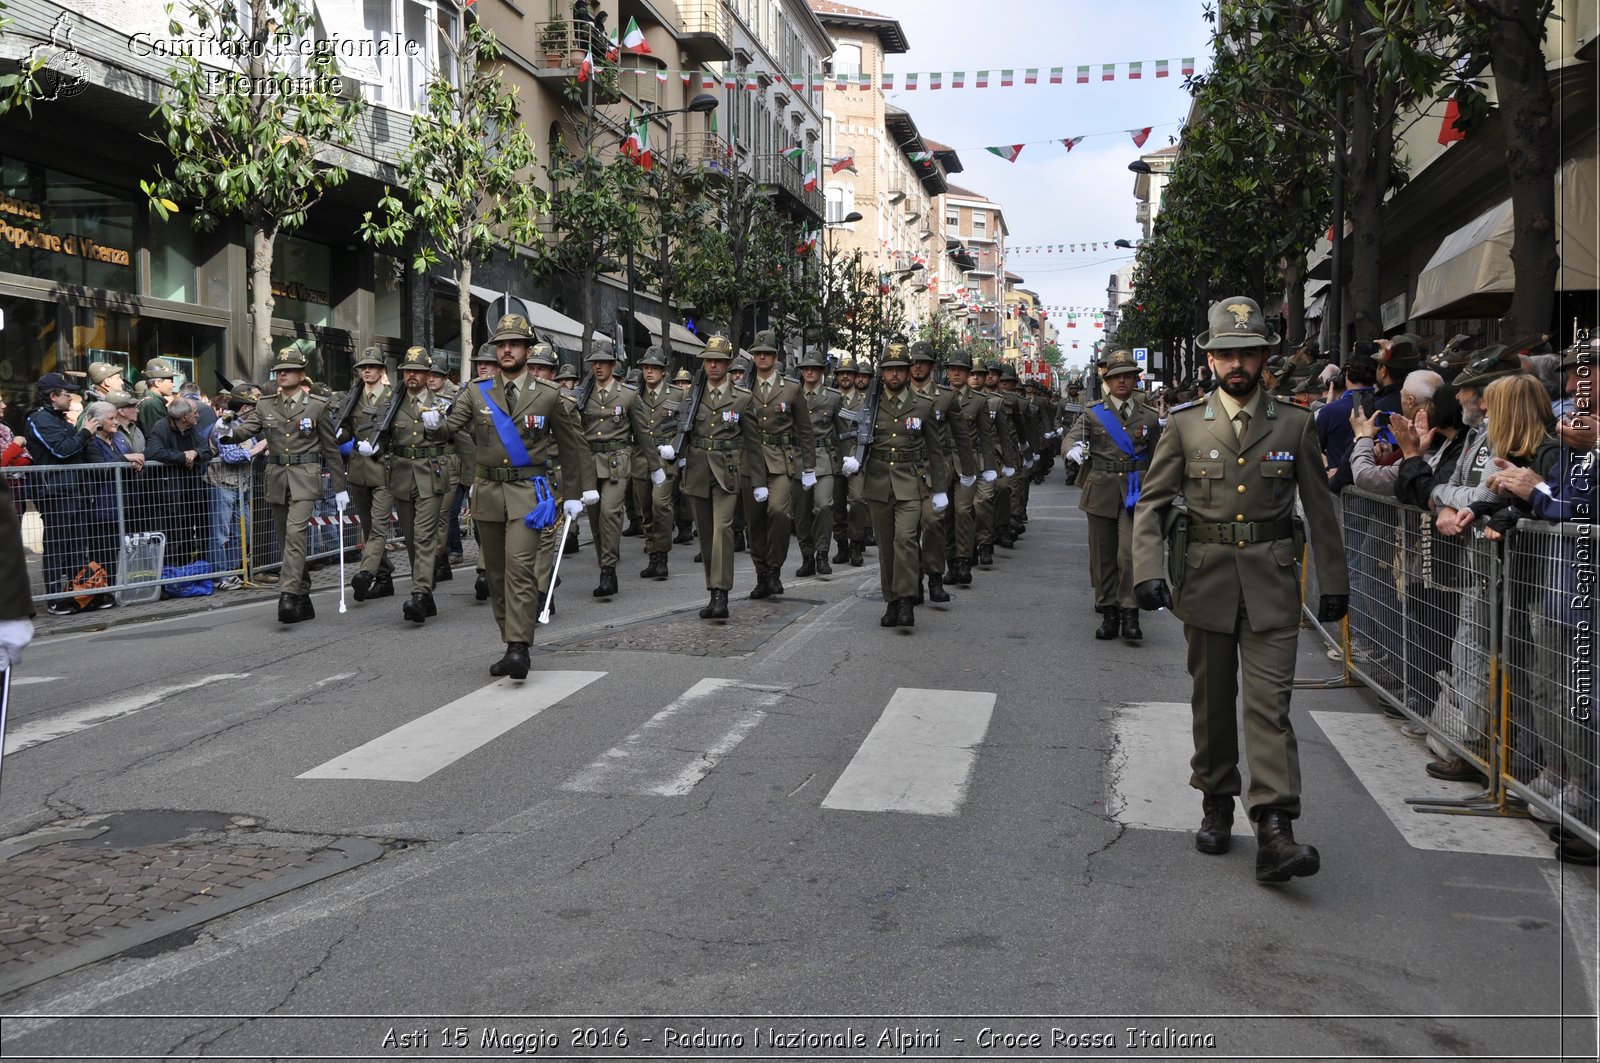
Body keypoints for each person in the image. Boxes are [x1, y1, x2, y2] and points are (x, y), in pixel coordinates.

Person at [1132, 296, 1349, 884]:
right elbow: (1151, 506)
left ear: (1262, 359)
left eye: (1248, 353)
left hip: (1274, 584)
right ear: (1211, 359)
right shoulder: (1183, 425)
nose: (1237, 364)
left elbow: (1321, 510)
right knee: (1212, 704)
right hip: (1204, 584)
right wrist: (1146, 569)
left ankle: (1275, 826)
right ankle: (1217, 799)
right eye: (1227, 354)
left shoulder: (1294, 423)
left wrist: (1334, 580)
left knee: (1269, 708)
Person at [442, 314, 597, 679]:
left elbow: (575, 446)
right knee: (494, 574)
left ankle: (518, 647)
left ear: (528, 350)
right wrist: (432, 425)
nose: (506, 350)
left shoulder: (548, 395)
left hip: (529, 494)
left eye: (513, 344)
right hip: (487, 494)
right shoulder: (476, 391)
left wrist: (577, 492)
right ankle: (508, 638)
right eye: (501, 345)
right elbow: (450, 427)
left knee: (520, 569)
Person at [225, 347, 349, 624]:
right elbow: (248, 430)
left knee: (295, 534)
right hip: (277, 476)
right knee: (287, 540)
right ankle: (303, 596)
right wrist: (227, 433)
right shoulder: (265, 404)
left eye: (288, 370)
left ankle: (288, 595)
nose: (282, 374)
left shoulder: (317, 405)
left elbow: (330, 448)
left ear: (301, 374)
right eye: (279, 370)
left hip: (306, 475)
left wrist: (340, 487)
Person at [1065, 349, 1163, 641]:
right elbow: (1071, 437)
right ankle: (1109, 612)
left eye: (1127, 376)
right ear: (1107, 380)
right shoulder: (1094, 412)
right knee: (1103, 555)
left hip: (1136, 491)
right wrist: (1071, 450)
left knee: (1129, 554)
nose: (1121, 381)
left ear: (1136, 379)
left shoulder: (1149, 415)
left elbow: (1159, 456)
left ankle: (1129, 612)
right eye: (1115, 377)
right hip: (1101, 489)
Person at [851, 345, 949, 630]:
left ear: (908, 372)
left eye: (900, 369)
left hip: (910, 483)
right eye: (889, 368)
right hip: (878, 482)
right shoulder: (870, 405)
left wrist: (939, 489)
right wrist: (852, 459)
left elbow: (935, 450)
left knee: (905, 540)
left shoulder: (923, 405)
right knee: (886, 547)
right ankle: (891, 600)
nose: (894, 374)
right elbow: (860, 439)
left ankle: (907, 600)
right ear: (882, 372)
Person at [679, 335, 759, 621]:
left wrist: (758, 481)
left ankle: (722, 593)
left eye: (718, 361)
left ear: (728, 364)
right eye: (708, 361)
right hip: (698, 470)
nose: (712, 365)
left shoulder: (743, 398)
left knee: (723, 529)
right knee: (706, 533)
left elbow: (753, 441)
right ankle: (712, 590)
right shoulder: (692, 396)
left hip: (728, 471)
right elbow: (682, 431)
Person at [577, 344, 659, 598]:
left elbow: (642, 433)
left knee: (610, 512)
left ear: (613, 365)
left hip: (617, 461)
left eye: (603, 362)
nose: (598, 367)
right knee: (595, 520)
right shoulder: (583, 394)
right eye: (594, 362)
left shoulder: (628, 395)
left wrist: (655, 466)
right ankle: (606, 558)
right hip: (590, 462)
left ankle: (608, 572)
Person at [740, 330, 816, 599]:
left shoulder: (792, 389)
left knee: (780, 513)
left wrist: (809, 467)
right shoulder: (741, 388)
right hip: (750, 461)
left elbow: (805, 431)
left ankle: (774, 568)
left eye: (767, 353)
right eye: (758, 353)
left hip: (781, 460)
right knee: (755, 521)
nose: (762, 357)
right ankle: (762, 574)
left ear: (775, 357)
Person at [385, 347, 454, 624]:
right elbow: (382, 433)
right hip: (401, 474)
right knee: (411, 537)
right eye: (407, 371)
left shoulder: (442, 401)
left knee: (424, 535)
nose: (411, 375)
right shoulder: (393, 402)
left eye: (417, 371)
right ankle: (426, 593)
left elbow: (453, 434)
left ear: (428, 374)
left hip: (430, 474)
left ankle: (419, 592)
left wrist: (438, 426)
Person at [908, 340, 976, 604]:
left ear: (932, 367)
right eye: (914, 362)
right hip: (904, 469)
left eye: (922, 363)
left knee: (934, 522)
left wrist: (968, 472)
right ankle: (912, 582)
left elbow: (962, 439)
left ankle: (935, 577)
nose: (917, 367)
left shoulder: (946, 397)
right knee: (908, 528)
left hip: (936, 468)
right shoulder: (897, 395)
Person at [24, 372, 93, 612]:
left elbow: (73, 450)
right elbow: (63, 451)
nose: (71, 399)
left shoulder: (60, 419)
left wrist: (81, 435)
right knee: (57, 545)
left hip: (72, 489)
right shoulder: (39, 419)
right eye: (66, 394)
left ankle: (79, 593)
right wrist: (85, 432)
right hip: (53, 492)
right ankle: (55, 598)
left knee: (76, 545)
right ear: (53, 396)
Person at [338, 347, 398, 603]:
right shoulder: (353, 397)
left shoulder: (393, 397)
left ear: (382, 370)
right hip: (359, 471)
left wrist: (380, 447)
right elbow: (348, 431)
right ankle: (385, 579)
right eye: (363, 367)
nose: (367, 370)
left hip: (383, 470)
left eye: (372, 367)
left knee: (378, 528)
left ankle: (366, 572)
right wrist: (340, 435)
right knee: (368, 526)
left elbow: (400, 435)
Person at [945, 349, 1001, 585]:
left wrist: (989, 467)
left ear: (968, 373)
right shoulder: (938, 397)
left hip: (968, 464)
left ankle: (964, 560)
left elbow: (987, 438)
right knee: (944, 516)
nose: (956, 373)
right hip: (941, 463)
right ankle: (951, 563)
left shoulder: (979, 401)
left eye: (961, 370)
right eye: (953, 369)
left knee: (963, 511)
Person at [207, 388, 266, 590]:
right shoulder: (223, 425)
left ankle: (232, 572)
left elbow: (255, 449)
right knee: (221, 534)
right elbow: (230, 456)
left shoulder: (245, 427)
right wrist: (258, 449)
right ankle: (220, 576)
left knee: (242, 533)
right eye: (254, 409)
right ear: (244, 408)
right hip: (223, 486)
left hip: (242, 486)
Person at [145, 396, 214, 563]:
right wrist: (183, 457)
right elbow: (153, 452)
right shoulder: (162, 427)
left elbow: (207, 450)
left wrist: (195, 453)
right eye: (195, 413)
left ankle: (191, 571)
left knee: (191, 535)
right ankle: (173, 576)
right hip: (170, 495)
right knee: (174, 537)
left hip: (192, 493)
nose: (198, 415)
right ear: (184, 416)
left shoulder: (190, 429)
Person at [792, 348, 842, 578]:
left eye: (814, 368)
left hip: (824, 458)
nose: (810, 372)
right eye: (806, 369)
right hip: (798, 457)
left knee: (823, 505)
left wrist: (846, 461)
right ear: (801, 372)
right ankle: (807, 556)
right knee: (801, 513)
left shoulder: (833, 397)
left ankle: (822, 552)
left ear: (822, 371)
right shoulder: (792, 394)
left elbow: (842, 432)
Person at [633, 346, 681, 581]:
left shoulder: (676, 395)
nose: (649, 371)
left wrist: (675, 448)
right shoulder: (634, 395)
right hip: (641, 457)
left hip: (665, 457)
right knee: (646, 509)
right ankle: (653, 555)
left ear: (663, 371)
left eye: (654, 368)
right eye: (646, 367)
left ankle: (662, 556)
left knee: (660, 504)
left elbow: (684, 427)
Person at [136, 359, 180, 438]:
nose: (173, 385)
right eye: (171, 381)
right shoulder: (152, 403)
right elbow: (157, 436)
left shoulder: (155, 401)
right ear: (158, 383)